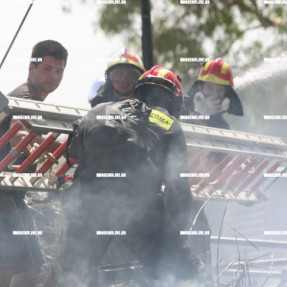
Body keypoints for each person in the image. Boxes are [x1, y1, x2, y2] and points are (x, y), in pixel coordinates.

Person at [61, 66, 213, 286]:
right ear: (174, 101)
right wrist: (176, 233)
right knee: (188, 273)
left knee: (77, 276)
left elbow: (73, 153)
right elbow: (177, 189)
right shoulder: (170, 124)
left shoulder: (98, 110)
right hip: (139, 208)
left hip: (88, 205)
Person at [0, 40, 68, 287]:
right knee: (30, 264)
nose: (54, 76)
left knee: (6, 264)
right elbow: (21, 134)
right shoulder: (25, 97)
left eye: (59, 71)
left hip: (9, 193)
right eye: (48, 68)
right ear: (32, 67)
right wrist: (68, 149)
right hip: (6, 194)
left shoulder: (27, 98)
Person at [181, 58, 244, 267]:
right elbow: (174, 136)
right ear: (199, 87)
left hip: (201, 201)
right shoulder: (179, 109)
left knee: (201, 254)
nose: (214, 95)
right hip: (171, 194)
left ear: (227, 96)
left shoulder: (223, 128)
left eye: (220, 91)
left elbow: (225, 166)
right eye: (209, 88)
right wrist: (198, 116)